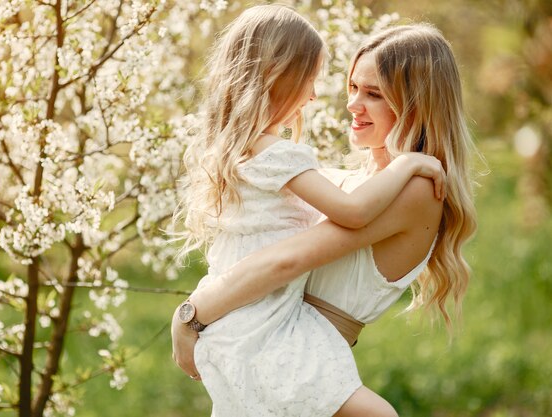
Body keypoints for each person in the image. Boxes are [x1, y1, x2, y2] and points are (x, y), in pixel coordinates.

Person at [172, 20, 478, 417]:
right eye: (353, 87)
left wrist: (189, 318)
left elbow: (286, 260)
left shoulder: (415, 189)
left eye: (373, 94)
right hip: (271, 362)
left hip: (299, 373)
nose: (352, 104)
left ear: (417, 106)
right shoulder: (358, 181)